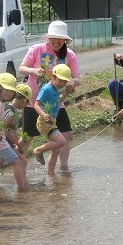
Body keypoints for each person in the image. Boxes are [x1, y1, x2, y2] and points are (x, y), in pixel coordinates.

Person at [19, 20, 80, 171]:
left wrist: (68, 82)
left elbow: (77, 78)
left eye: (60, 39)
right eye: (53, 38)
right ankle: (19, 171)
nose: (56, 42)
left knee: (65, 136)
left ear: (65, 40)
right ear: (48, 38)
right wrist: (34, 71)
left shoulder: (69, 55)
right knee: (27, 137)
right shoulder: (37, 49)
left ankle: (62, 170)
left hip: (55, 104)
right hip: (33, 101)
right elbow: (21, 68)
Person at [0, 73, 26, 191]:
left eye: (11, 91)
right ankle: (22, 189)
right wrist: (6, 123)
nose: (8, 93)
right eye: (5, 90)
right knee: (16, 161)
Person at [32, 64, 72, 174]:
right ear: (53, 77)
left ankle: (50, 175)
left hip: (52, 121)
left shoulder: (55, 89)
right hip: (44, 122)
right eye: (61, 81)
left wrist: (65, 93)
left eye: (65, 82)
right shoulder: (46, 89)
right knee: (61, 141)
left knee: (56, 149)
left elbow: (58, 101)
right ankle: (38, 150)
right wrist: (43, 114)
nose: (63, 84)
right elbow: (36, 104)